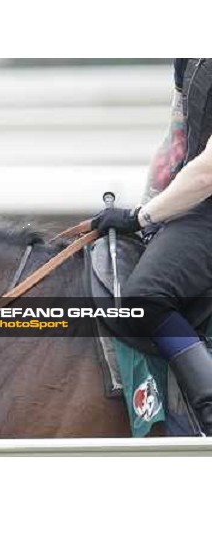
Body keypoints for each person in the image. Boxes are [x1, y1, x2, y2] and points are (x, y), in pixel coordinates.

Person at [91, 58, 212, 435]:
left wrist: (141, 217)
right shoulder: (189, 56)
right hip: (197, 202)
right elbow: (178, 141)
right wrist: (146, 216)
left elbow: (208, 170)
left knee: (144, 296)